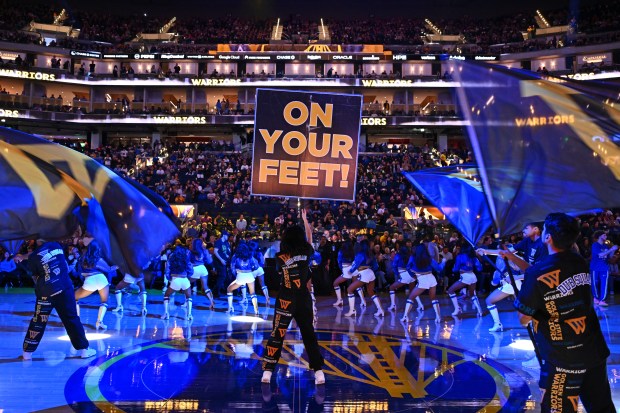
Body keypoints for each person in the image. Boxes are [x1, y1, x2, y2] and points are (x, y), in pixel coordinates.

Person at [514, 213, 615, 413]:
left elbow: (523, 318)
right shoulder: (579, 261)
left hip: (562, 358)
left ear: (548, 237)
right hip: (593, 350)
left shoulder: (537, 274)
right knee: (601, 407)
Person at [261, 209, 325, 385]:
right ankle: (319, 372)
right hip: (303, 299)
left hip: (285, 299)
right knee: (308, 334)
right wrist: (305, 222)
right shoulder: (306, 252)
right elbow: (309, 240)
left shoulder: (281, 257)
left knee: (277, 334)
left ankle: (267, 372)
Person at [16, 239, 95, 360]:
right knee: (71, 319)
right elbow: (64, 265)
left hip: (45, 292)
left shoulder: (33, 257)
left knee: (38, 321)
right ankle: (84, 350)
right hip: (63, 289)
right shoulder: (57, 246)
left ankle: (27, 353)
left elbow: (35, 276)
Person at [75, 240, 116, 330]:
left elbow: (80, 273)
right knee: (104, 302)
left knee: (74, 298)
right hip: (101, 279)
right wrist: (119, 265)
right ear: (98, 249)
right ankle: (99, 322)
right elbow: (109, 269)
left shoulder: (82, 258)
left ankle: (77, 321)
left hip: (89, 281)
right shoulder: (98, 259)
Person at [401, 243, 441, 323]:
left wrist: (414, 276)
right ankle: (438, 317)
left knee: (411, 298)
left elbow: (408, 268)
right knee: (433, 298)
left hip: (422, 279)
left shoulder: (413, 257)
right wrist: (442, 262)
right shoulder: (429, 258)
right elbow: (438, 268)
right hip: (431, 278)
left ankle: (405, 317)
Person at [344, 239, 384, 317]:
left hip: (364, 274)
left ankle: (352, 311)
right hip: (371, 273)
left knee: (349, 289)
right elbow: (376, 266)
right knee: (371, 292)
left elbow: (355, 265)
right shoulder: (370, 254)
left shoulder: (360, 254)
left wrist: (350, 271)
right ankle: (380, 310)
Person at [447, 244, 483, 316]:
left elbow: (455, 269)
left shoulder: (460, 256)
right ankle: (479, 310)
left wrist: (453, 268)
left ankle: (457, 308)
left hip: (465, 276)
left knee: (450, 290)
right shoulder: (473, 257)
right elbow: (479, 268)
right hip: (473, 276)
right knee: (472, 294)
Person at [161, 242, 194, 320]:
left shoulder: (171, 257)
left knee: (166, 295)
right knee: (189, 297)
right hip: (185, 280)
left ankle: (166, 314)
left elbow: (167, 271)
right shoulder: (186, 258)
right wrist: (187, 276)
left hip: (175, 280)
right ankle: (189, 315)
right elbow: (191, 270)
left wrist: (170, 279)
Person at [227, 243, 262, 315]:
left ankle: (230, 308)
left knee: (229, 289)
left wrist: (236, 275)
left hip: (240, 275)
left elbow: (232, 267)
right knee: (253, 293)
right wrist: (251, 270)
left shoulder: (235, 256)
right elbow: (256, 266)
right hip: (250, 275)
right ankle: (256, 310)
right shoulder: (250, 256)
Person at [590, 230, 618, 306]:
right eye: (604, 235)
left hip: (604, 267)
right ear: (600, 236)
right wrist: (611, 249)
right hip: (595, 267)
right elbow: (600, 255)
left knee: (604, 284)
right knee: (595, 283)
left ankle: (602, 300)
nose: (606, 236)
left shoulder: (606, 246)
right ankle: (595, 298)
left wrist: (613, 250)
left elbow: (610, 256)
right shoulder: (595, 245)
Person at [189, 238, 215, 310]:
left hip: (194, 269)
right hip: (203, 268)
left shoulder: (190, 251)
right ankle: (211, 302)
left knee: (187, 285)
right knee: (205, 287)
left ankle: (186, 302)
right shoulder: (204, 251)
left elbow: (187, 261)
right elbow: (209, 261)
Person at [214, 230, 232, 296]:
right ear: (224, 235)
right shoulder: (218, 242)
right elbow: (215, 251)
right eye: (227, 236)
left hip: (225, 261)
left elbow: (227, 252)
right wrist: (221, 259)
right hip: (219, 262)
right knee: (222, 276)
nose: (228, 237)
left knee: (225, 276)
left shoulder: (226, 243)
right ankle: (216, 291)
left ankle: (221, 290)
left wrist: (227, 255)